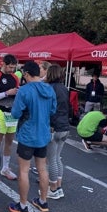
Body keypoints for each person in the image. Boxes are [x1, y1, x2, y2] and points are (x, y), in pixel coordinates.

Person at [9, 61, 57, 212]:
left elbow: (15, 114)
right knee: (42, 169)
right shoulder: (49, 89)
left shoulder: (24, 90)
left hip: (27, 135)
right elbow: (53, 110)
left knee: (23, 170)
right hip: (43, 134)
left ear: (27, 74)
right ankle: (43, 202)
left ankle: (22, 206)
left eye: (24, 75)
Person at [0, 54, 19, 180]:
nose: (12, 70)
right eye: (10, 67)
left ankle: (5, 168)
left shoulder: (15, 77)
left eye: (14, 67)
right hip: (0, 111)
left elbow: (16, 92)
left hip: (12, 112)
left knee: (9, 141)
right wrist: (7, 93)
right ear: (4, 64)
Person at [44, 63, 70, 200]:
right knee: (57, 158)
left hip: (53, 127)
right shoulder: (64, 88)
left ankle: (53, 189)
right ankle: (58, 187)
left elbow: (48, 109)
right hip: (65, 126)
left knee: (51, 160)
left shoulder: (49, 88)